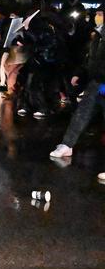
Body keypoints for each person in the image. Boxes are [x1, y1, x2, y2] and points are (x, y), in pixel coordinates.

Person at [51, 11, 105, 162]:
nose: (98, 17)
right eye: (98, 13)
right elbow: (90, 59)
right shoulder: (98, 36)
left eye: (101, 14)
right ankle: (67, 145)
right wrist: (79, 73)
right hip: (96, 82)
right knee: (81, 113)